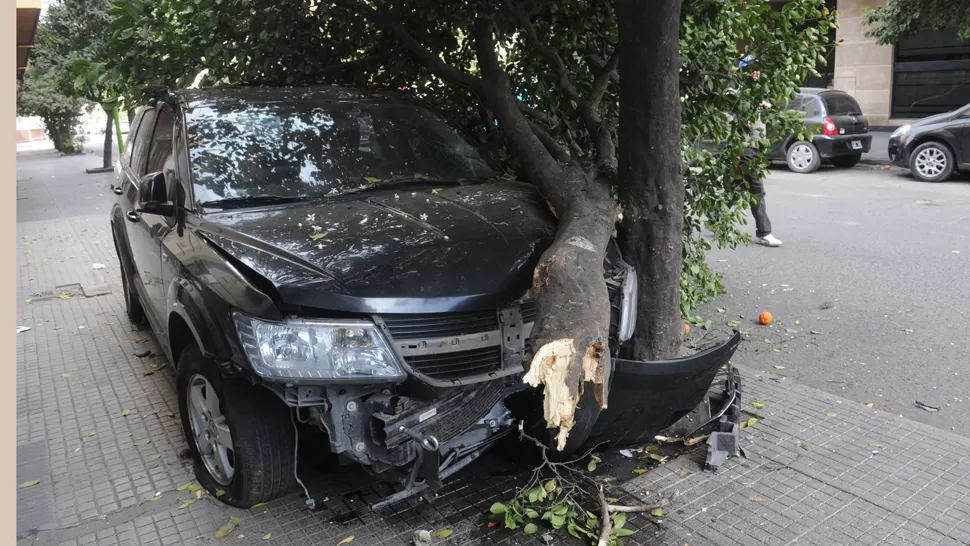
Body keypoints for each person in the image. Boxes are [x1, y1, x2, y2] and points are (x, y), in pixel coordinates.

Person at [739, 54, 782, 248]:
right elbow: (727, 116)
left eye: (758, 69)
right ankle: (764, 232)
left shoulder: (757, 91)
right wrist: (741, 119)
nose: (757, 72)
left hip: (754, 147)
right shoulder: (737, 92)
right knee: (757, 190)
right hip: (744, 147)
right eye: (752, 69)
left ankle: (715, 219)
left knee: (737, 185)